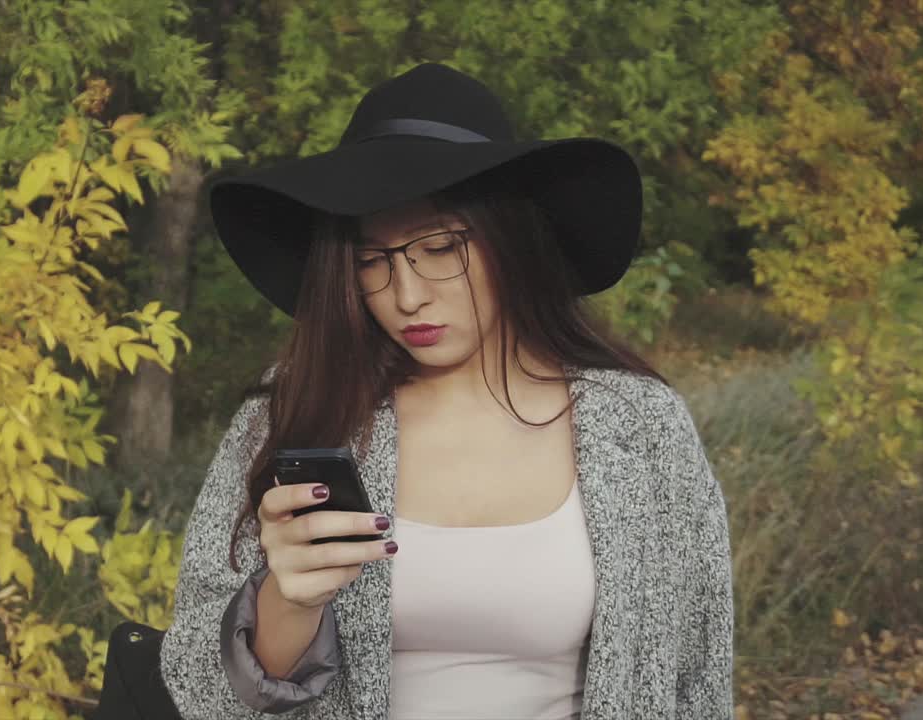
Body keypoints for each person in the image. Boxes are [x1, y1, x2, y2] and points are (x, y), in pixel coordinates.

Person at [158, 62, 734, 720]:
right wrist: (287, 602)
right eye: (372, 260)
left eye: (439, 247)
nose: (407, 295)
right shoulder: (295, 408)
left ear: (509, 240)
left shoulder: (643, 426)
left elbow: (699, 679)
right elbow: (197, 690)